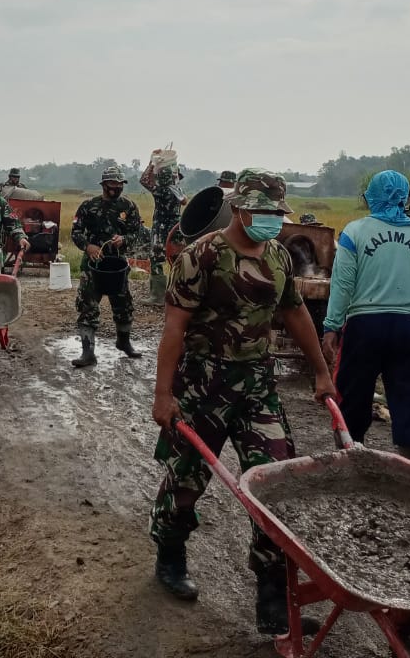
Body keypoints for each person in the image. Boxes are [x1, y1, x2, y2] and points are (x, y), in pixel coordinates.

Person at [150, 169, 336, 637]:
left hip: (257, 385)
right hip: (202, 384)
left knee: (275, 485)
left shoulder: (276, 255)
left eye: (278, 212)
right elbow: (174, 328)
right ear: (240, 207)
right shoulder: (202, 255)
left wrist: (320, 370)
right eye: (265, 211)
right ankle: (170, 555)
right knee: (186, 477)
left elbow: (293, 312)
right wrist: (163, 393)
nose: (273, 220)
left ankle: (272, 600)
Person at [321, 171, 410, 464]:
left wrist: (332, 326)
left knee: (352, 393)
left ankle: (350, 455)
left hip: (365, 327)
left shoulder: (355, 232)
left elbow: (343, 284)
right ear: (405, 197)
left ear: (372, 196)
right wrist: (409, 311)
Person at [70, 165, 145, 366]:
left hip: (117, 264)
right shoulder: (88, 206)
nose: (117, 187)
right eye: (113, 183)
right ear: (104, 185)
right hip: (93, 265)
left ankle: (124, 342)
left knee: (123, 304)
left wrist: (124, 239)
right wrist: (88, 246)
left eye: (120, 184)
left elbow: (138, 233)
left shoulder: (128, 207)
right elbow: (75, 231)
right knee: (88, 305)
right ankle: (88, 352)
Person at [141, 151, 184, 300]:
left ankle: (158, 296)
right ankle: (180, 294)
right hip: (177, 228)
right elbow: (177, 179)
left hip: (161, 229)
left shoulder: (161, 191)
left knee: (156, 259)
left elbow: (144, 180)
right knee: (178, 259)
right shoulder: (178, 191)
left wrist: (152, 164)